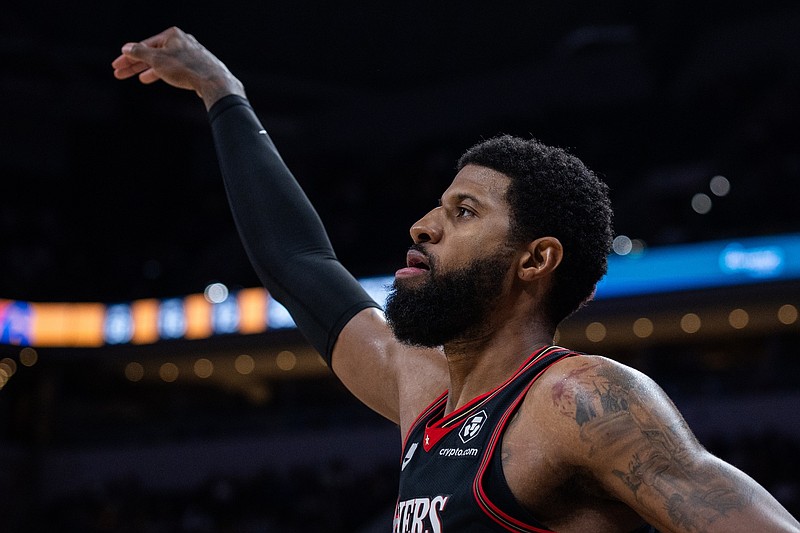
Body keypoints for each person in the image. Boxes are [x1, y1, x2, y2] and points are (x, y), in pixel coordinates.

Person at [112, 27, 800, 532]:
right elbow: (300, 265)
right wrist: (222, 93)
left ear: (534, 260)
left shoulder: (580, 400)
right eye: (437, 206)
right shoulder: (426, 392)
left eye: (463, 211)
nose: (421, 225)